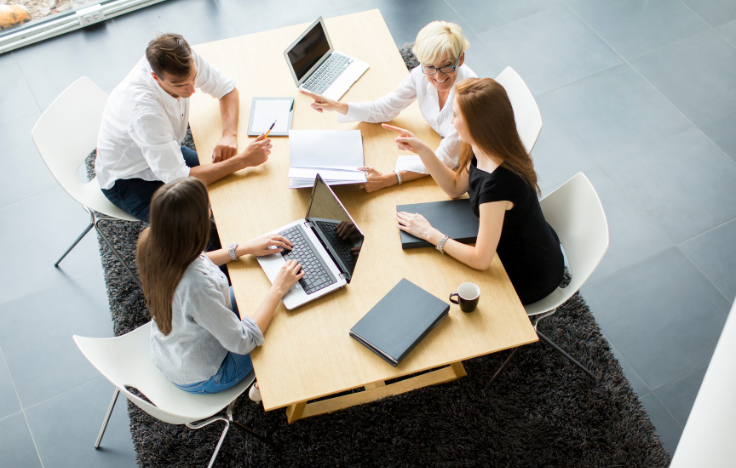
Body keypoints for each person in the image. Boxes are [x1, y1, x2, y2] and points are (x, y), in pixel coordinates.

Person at [388, 78, 564, 305]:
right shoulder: (482, 147)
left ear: (476, 123)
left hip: (527, 275)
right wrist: (421, 149)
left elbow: (481, 260)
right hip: (518, 244)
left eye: (455, 116)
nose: (451, 122)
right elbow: (454, 188)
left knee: (438, 282)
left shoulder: (497, 186)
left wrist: (429, 234)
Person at [137, 177, 303, 398]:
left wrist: (243, 249)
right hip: (208, 375)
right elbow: (243, 341)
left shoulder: (153, 241)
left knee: (255, 293)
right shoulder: (197, 287)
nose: (210, 212)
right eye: (207, 208)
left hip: (173, 350)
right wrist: (278, 289)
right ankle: (266, 384)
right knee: (285, 318)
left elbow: (197, 260)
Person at [96, 33, 272, 222]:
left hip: (166, 148)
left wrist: (229, 134)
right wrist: (243, 160)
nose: (191, 90)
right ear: (155, 77)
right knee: (201, 235)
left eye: (193, 78)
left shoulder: (184, 58)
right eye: (180, 85)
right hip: (128, 179)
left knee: (229, 184)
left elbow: (227, 89)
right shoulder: (145, 113)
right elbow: (178, 179)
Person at [301, 21, 477, 193]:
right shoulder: (421, 74)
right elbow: (384, 108)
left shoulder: (469, 101)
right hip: (436, 142)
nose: (438, 76)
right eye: (430, 66)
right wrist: (337, 105)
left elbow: (444, 160)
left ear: (460, 58)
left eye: (446, 65)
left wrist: (389, 178)